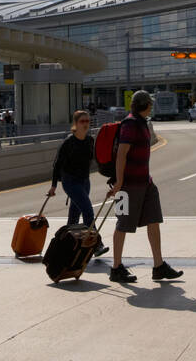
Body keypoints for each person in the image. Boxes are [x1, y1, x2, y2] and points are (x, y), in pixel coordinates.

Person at [105, 90, 182, 283]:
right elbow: (122, 154)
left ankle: (159, 266)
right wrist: (119, 182)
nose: (152, 107)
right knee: (122, 224)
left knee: (153, 220)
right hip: (128, 186)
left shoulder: (142, 123)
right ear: (144, 105)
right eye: (150, 104)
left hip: (145, 183)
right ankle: (116, 268)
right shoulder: (130, 124)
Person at [47, 110, 108, 258]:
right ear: (75, 124)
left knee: (74, 217)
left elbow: (97, 159)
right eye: (82, 121)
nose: (86, 124)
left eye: (88, 121)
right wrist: (54, 186)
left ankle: (65, 246)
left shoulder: (90, 140)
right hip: (70, 182)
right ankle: (96, 244)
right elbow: (57, 165)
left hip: (85, 181)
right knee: (88, 211)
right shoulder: (69, 142)